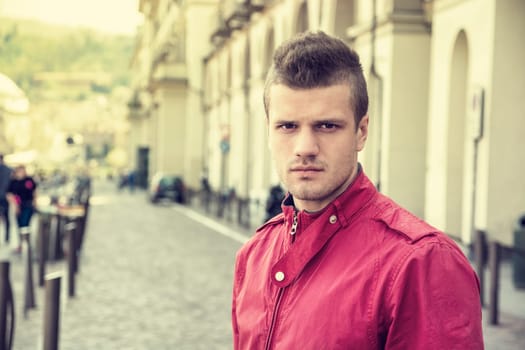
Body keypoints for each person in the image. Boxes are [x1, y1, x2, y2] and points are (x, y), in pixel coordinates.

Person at [231, 31, 483, 349]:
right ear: (269, 130)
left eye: (327, 126)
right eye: (288, 126)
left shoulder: (420, 263)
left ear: (361, 132)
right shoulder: (254, 255)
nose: (305, 147)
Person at [7, 165, 37, 252]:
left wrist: (35, 203)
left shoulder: (29, 180)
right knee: (19, 225)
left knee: (25, 224)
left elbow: (34, 191)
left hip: (28, 205)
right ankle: (21, 243)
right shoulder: (14, 182)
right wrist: (15, 205)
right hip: (18, 206)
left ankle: (26, 244)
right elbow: (9, 194)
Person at [0, 154, 12, 245]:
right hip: (6, 196)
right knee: (7, 217)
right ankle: (7, 237)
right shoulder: (9, 170)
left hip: (4, 196)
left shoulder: (8, 170)